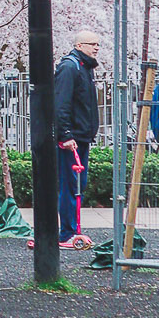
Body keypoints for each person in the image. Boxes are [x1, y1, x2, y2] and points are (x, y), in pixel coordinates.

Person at [54, 30, 101, 249]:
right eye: (92, 44)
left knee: (77, 184)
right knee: (70, 184)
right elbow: (61, 103)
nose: (96, 47)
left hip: (81, 136)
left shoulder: (83, 68)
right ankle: (67, 232)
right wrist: (65, 135)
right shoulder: (70, 68)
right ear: (80, 45)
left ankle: (72, 229)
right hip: (73, 138)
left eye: (98, 44)